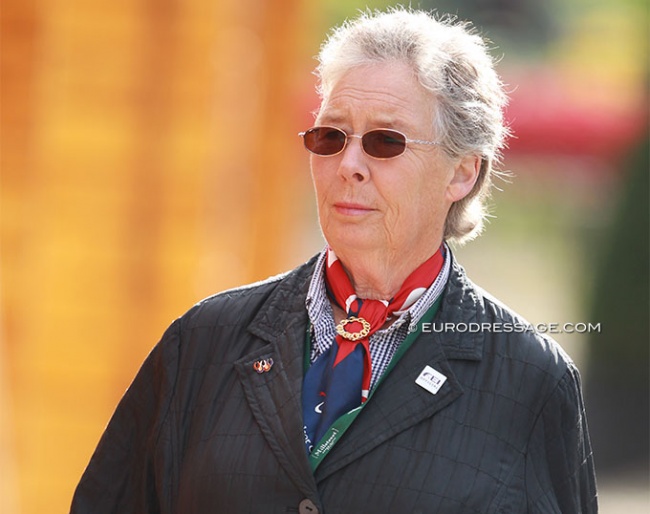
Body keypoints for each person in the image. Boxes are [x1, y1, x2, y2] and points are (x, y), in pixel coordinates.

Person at [71, 8, 597, 513]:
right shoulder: (202, 340)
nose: (348, 165)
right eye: (330, 136)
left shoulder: (532, 381)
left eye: (384, 142)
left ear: (461, 172)